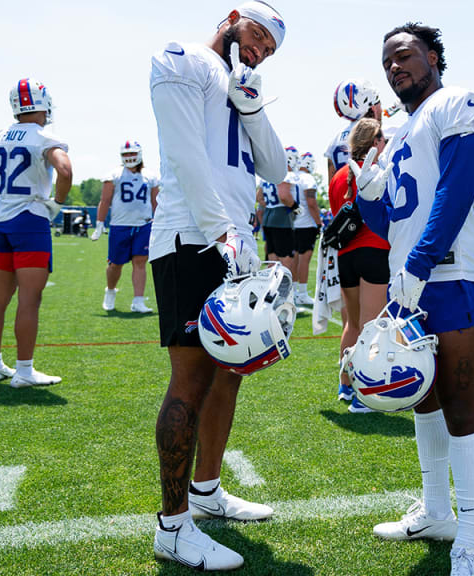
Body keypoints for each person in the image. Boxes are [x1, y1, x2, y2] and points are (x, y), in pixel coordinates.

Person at [148, 2, 287, 570]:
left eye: (268, 52)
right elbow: (184, 155)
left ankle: (207, 491)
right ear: (233, 16)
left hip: (231, 243)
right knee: (190, 381)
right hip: (193, 237)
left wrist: (252, 106)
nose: (257, 52)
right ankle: (172, 526)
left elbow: (275, 169)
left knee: (230, 373)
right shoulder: (181, 59)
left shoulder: (238, 84)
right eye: (256, 38)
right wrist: (221, 229)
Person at [353, 22, 474, 575]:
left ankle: (471, 538)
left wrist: (419, 263)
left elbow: (457, 189)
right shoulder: (403, 130)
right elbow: (385, 223)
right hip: (406, 276)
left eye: (405, 56)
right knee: (423, 397)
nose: (394, 68)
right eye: (387, 61)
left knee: (460, 402)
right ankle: (436, 513)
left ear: (434, 56)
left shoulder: (457, 103)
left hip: (449, 272)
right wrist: (366, 190)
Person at [0, 78, 72, 388]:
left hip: (1, 220)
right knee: (29, 299)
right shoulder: (45, 136)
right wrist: (57, 203)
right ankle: (24, 371)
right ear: (43, 104)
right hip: (30, 219)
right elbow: (65, 171)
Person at [329, 118, 391, 413]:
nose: (385, 142)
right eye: (381, 137)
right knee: (371, 327)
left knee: (352, 324)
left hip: (346, 257)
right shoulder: (377, 169)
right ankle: (363, 395)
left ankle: (345, 383)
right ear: (373, 141)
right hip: (374, 251)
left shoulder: (339, 175)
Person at [91, 140, 159, 314]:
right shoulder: (114, 175)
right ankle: (110, 291)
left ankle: (138, 301)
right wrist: (99, 223)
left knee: (140, 262)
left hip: (143, 224)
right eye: (126, 154)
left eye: (132, 154)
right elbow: (105, 200)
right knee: (115, 264)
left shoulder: (150, 176)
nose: (129, 157)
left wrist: (159, 223)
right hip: (120, 225)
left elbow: (155, 202)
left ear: (139, 154)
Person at [325, 79, 383, 183]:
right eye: (378, 101)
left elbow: (332, 185)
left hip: (344, 198)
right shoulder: (383, 134)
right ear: (371, 106)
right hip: (373, 197)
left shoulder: (334, 142)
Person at [257, 148, 300, 274]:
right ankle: (284, 290)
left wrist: (271, 204)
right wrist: (296, 208)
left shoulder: (267, 175)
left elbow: (259, 198)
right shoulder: (286, 173)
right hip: (282, 218)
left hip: (268, 217)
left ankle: (270, 290)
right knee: (286, 259)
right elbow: (284, 195)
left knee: (272, 258)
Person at [292, 151, 321, 306]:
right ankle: (302, 294)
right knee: (304, 260)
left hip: (291, 224)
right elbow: (311, 203)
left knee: (293, 259)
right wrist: (319, 223)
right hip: (305, 225)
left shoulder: (291, 177)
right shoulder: (308, 178)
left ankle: (294, 292)